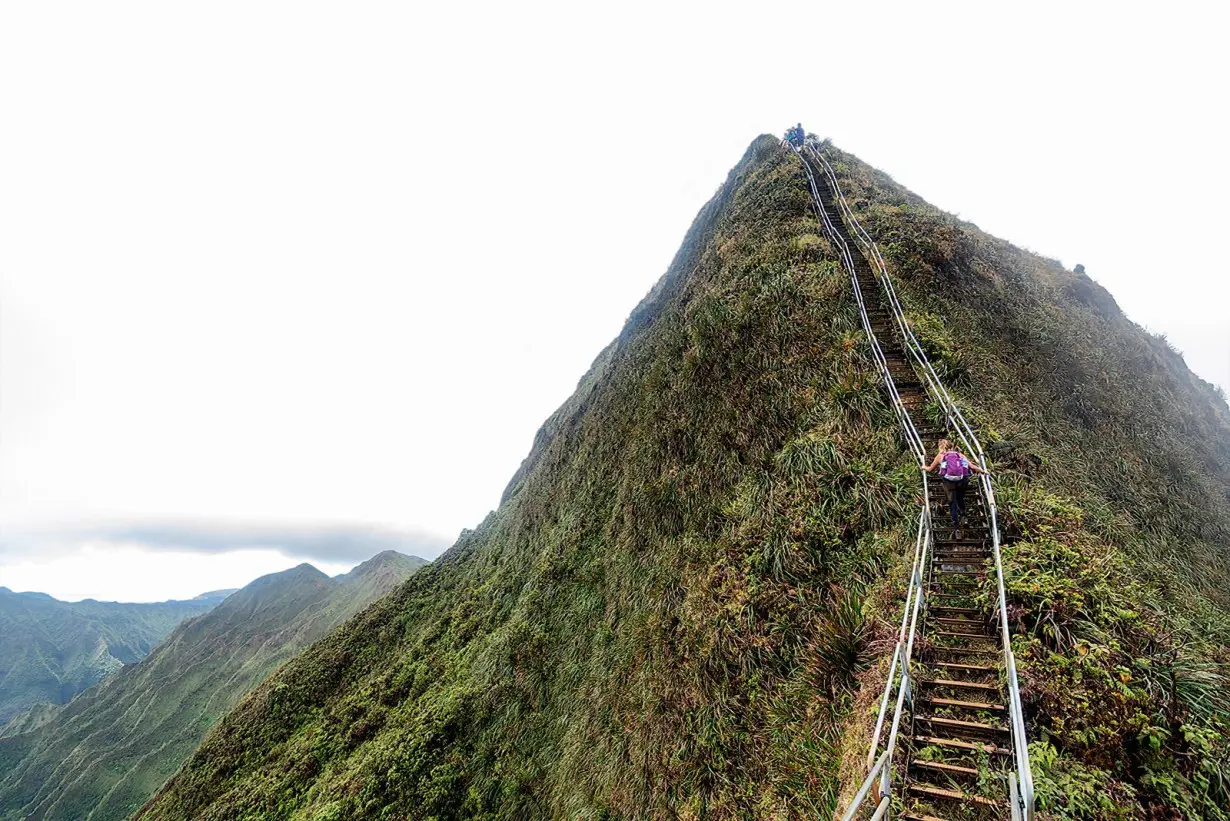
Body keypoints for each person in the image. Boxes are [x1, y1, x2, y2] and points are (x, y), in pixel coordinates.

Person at [924, 439, 990, 538]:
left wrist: (923, 467)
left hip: (948, 482)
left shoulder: (940, 456)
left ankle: (957, 528)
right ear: (952, 447)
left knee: (952, 503)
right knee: (960, 499)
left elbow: (930, 469)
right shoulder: (960, 455)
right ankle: (964, 517)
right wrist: (983, 471)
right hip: (962, 480)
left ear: (940, 447)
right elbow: (971, 466)